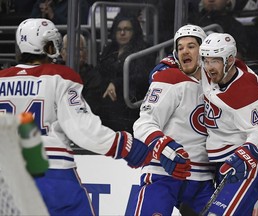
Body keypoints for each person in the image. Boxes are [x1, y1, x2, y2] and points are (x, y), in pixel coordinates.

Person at [0, 18, 173, 216]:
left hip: (8, 175)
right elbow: (82, 128)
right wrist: (126, 146)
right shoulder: (60, 76)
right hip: (52, 173)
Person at [127, 24, 215, 216]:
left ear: (204, 50)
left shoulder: (216, 84)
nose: (185, 51)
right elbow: (143, 124)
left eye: (191, 46)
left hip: (201, 179)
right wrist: (166, 149)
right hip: (164, 173)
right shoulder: (169, 79)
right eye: (180, 47)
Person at [199, 32, 258, 215]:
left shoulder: (246, 93)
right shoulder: (210, 72)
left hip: (248, 162)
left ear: (230, 59)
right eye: (206, 60)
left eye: (215, 61)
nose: (209, 67)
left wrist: (245, 154)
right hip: (222, 160)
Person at [97, 12, 155, 133]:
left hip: (131, 103)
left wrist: (116, 83)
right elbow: (101, 72)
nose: (122, 33)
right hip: (108, 102)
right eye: (119, 29)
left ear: (135, 31)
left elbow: (142, 76)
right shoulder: (109, 49)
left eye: (127, 29)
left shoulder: (143, 49)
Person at [61, 34, 102, 115]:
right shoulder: (55, 73)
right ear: (62, 53)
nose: (75, 53)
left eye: (79, 49)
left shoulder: (93, 76)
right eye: (70, 49)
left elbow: (90, 107)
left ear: (86, 53)